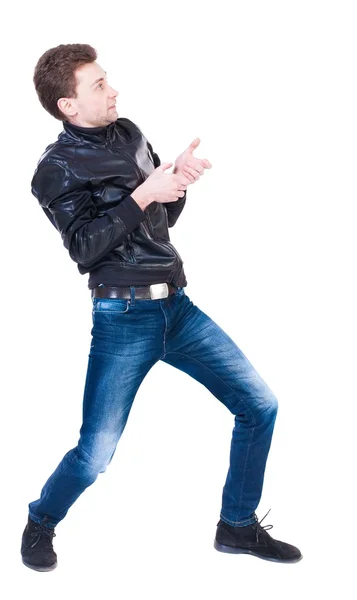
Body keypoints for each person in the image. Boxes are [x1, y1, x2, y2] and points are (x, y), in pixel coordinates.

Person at [21, 43, 302, 572]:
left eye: (108, 80)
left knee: (260, 405)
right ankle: (40, 520)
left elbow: (160, 222)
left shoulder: (129, 133)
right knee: (95, 455)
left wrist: (177, 182)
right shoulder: (54, 169)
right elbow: (83, 248)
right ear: (68, 105)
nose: (114, 90)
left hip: (177, 308)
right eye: (99, 85)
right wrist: (145, 194)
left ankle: (236, 527)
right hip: (122, 319)